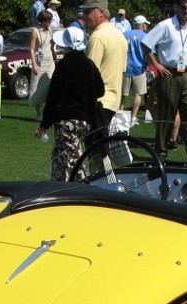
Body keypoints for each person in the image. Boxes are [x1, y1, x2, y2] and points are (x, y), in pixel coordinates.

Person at [34, 26, 104, 182]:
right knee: (61, 154)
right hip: (85, 119)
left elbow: (54, 97)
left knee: (72, 157)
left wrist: (44, 123)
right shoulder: (89, 64)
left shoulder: (64, 65)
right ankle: (58, 184)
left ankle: (80, 187)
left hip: (67, 119)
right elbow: (100, 90)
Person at [142, 0, 187, 162]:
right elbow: (146, 44)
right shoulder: (166, 25)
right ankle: (161, 152)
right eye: (184, 8)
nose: (186, 11)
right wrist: (156, 65)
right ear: (178, 7)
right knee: (166, 115)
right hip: (169, 74)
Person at [83, 0, 127, 125]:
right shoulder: (120, 36)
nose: (85, 16)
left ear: (101, 12)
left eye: (88, 11)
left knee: (95, 143)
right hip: (113, 102)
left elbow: (89, 73)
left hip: (98, 101)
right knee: (103, 142)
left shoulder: (98, 37)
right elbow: (122, 73)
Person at [28, 8, 55, 121]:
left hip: (50, 62)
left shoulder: (50, 30)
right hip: (39, 62)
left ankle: (46, 112)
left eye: (50, 20)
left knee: (50, 87)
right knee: (36, 87)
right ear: (42, 20)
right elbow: (32, 49)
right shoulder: (35, 31)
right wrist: (34, 64)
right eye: (47, 21)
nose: (49, 23)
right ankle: (38, 113)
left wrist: (54, 57)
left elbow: (52, 46)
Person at [122, 14, 147, 126]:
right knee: (138, 94)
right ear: (142, 25)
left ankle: (120, 117)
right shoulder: (145, 36)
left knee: (122, 94)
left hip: (125, 67)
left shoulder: (125, 34)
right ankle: (133, 117)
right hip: (139, 68)